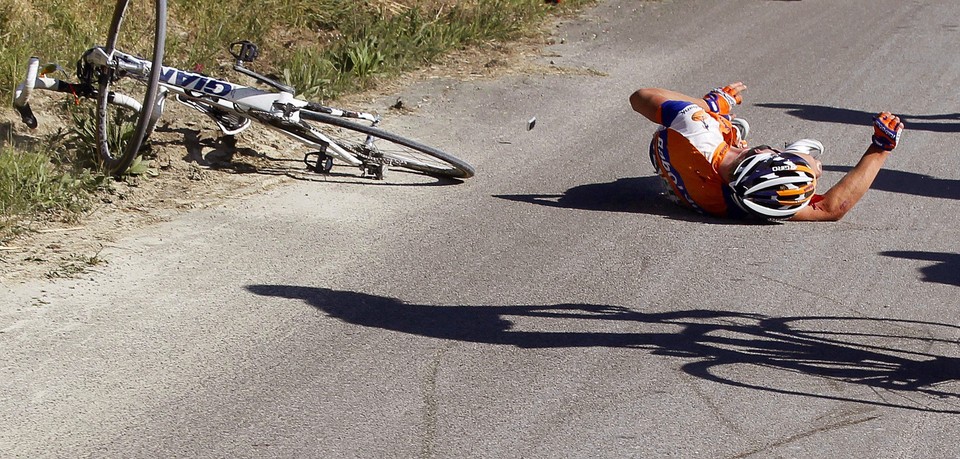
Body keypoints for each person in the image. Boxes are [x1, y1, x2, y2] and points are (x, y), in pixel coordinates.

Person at [629, 82, 904, 221]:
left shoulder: (697, 126)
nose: (819, 170)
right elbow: (830, 209)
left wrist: (708, 104)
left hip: (677, 144)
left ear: (762, 153)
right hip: (692, 183)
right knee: (810, 162)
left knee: (711, 116)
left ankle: (730, 126)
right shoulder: (755, 201)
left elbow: (640, 97)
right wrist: (881, 149)